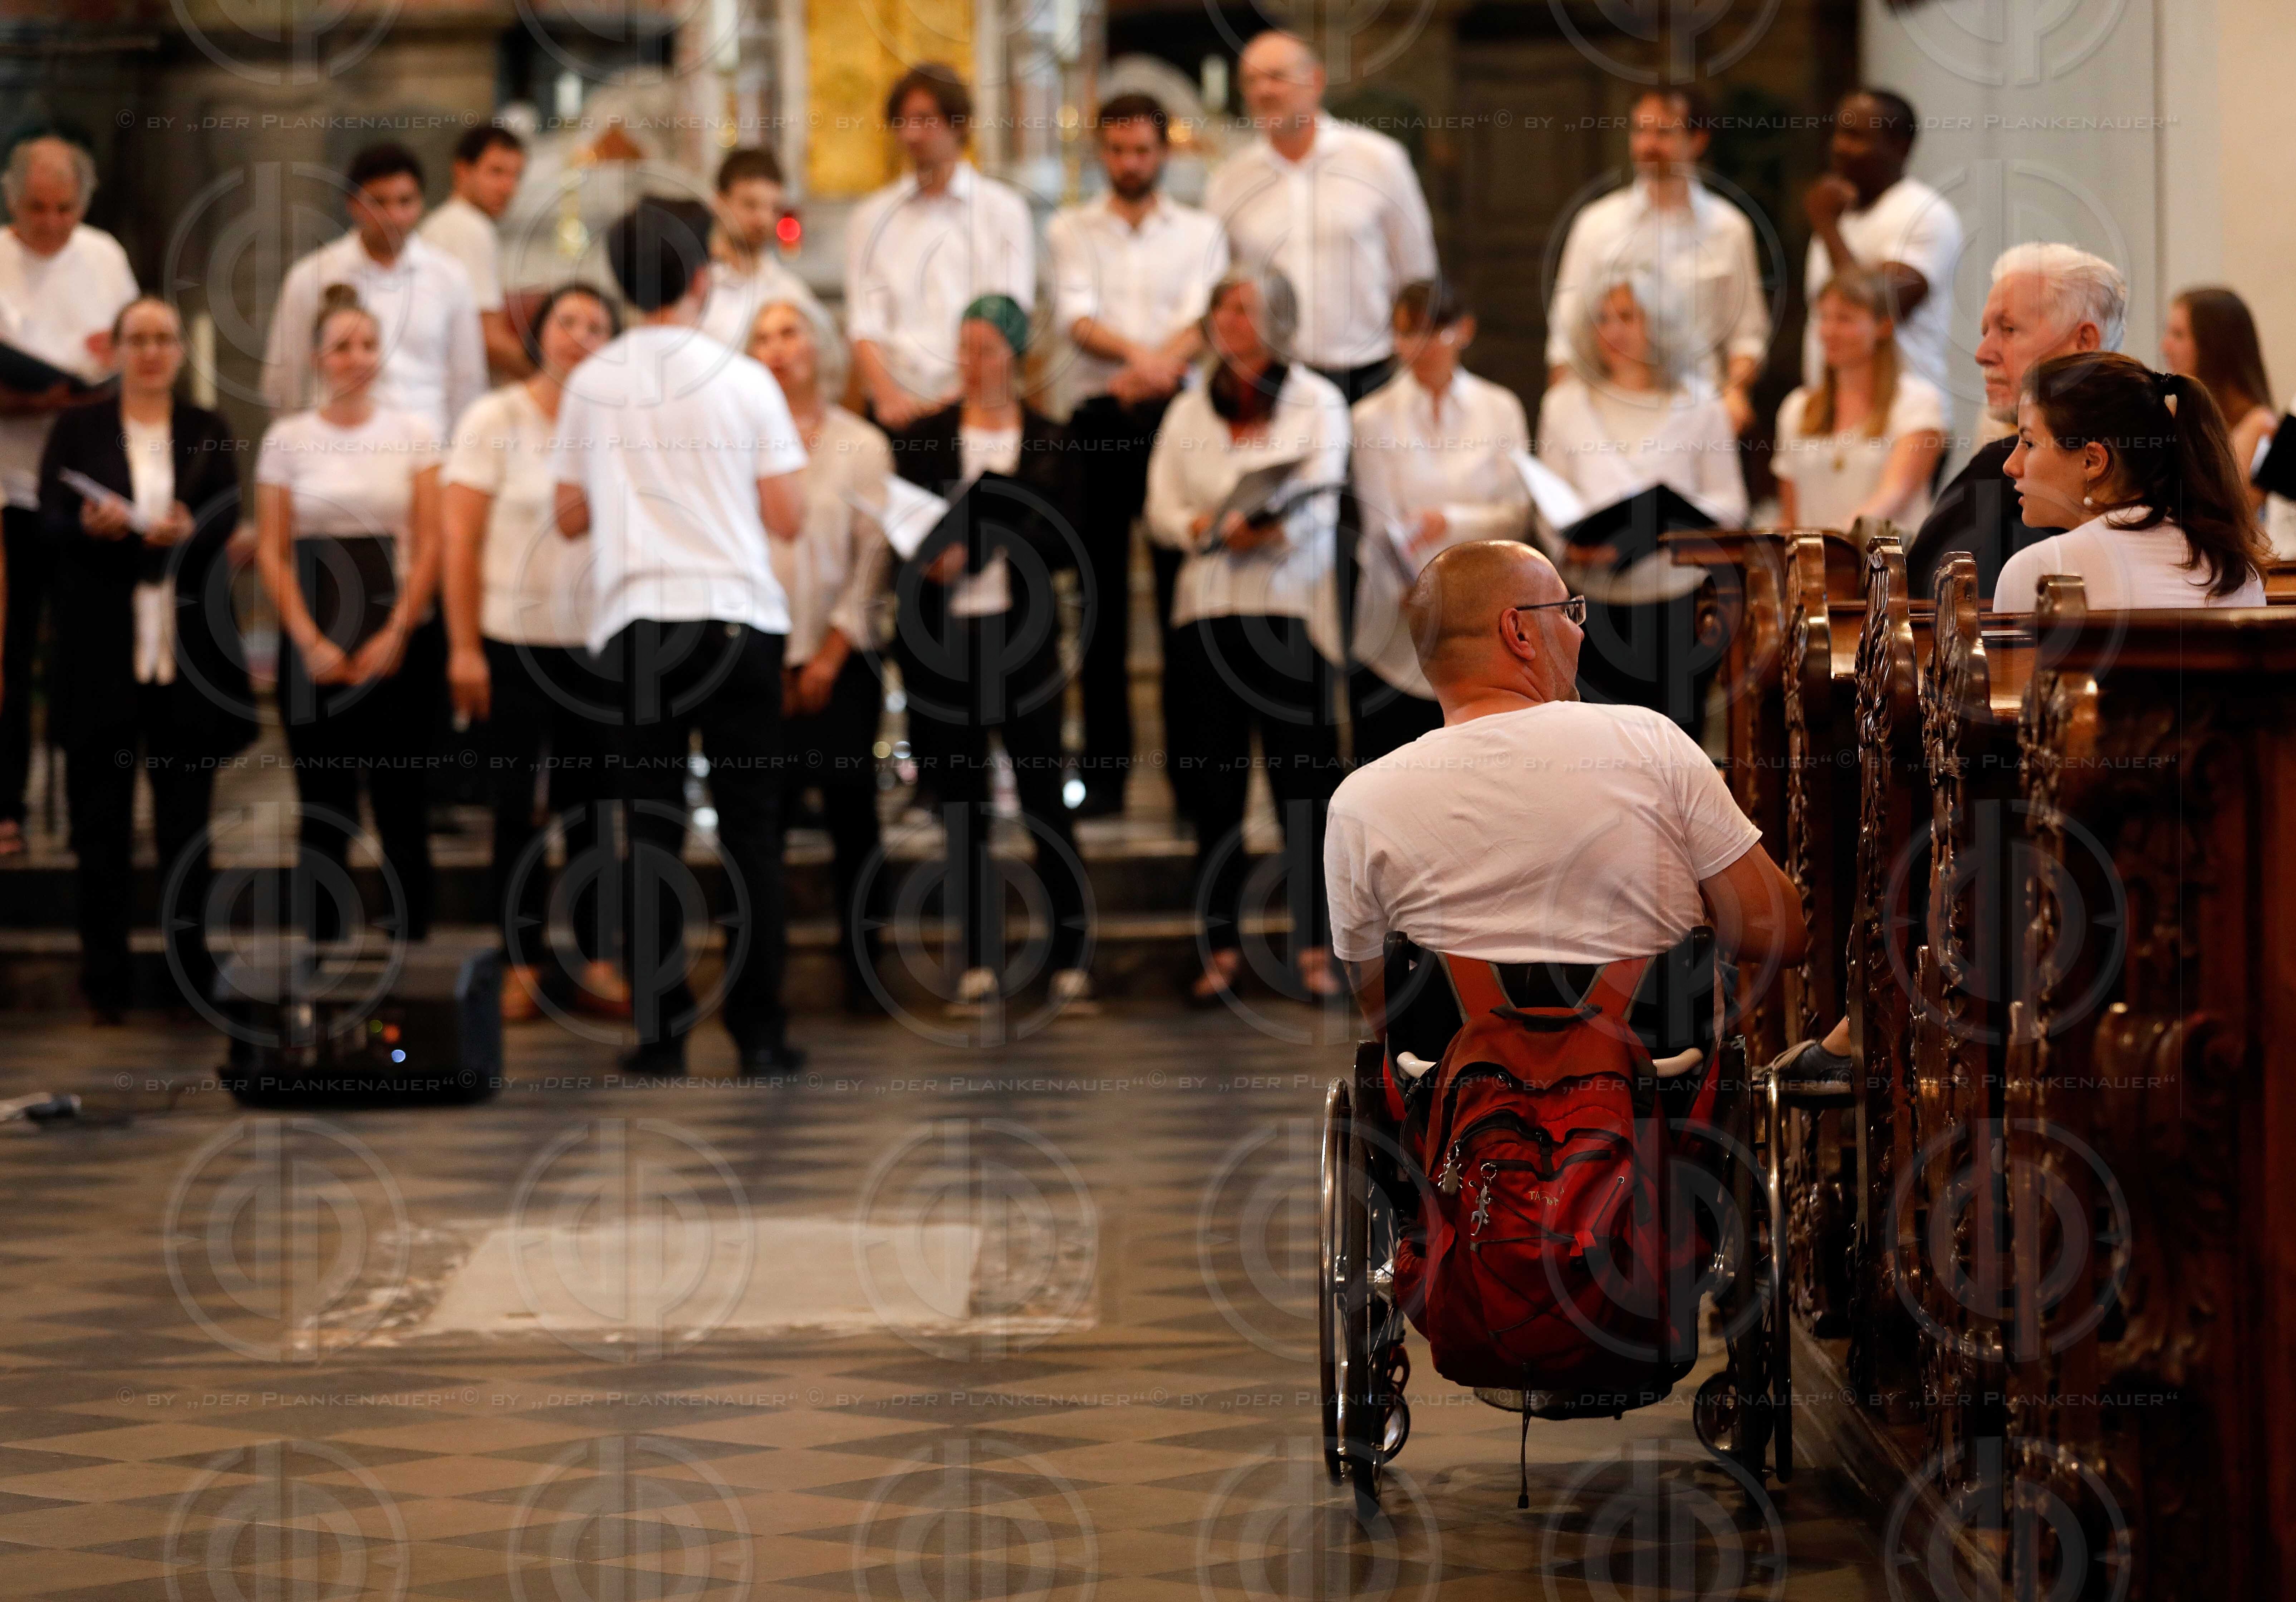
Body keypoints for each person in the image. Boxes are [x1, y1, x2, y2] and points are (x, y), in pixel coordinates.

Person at [1323, 540, 1806, 1040]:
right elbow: (1782, 932)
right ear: (1519, 632)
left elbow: (1388, 1018)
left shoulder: (1359, 802)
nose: (1580, 633)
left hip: (1464, 1104)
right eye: (1570, 612)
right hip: (1655, 1100)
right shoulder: (1650, 742)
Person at [551, 197, 810, 1075]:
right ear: (702, 276)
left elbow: (567, 515)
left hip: (638, 628)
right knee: (751, 837)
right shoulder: (746, 380)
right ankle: (762, 1037)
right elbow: (789, 514)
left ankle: (660, 1038)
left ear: (625, 285)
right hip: (738, 619)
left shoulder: (591, 382)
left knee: (651, 834)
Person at [37, 297, 254, 1022]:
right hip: (103, 645)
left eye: (165, 338)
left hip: (183, 649)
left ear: (180, 353)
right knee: (101, 828)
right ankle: (105, 981)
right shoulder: (80, 427)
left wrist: (193, 526)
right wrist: (93, 524)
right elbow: (48, 519)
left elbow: (228, 513)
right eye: (140, 338)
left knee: (185, 824)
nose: (154, 350)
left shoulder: (207, 429)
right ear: (118, 349)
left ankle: (189, 975)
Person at [1144, 269, 1349, 1005]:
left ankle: (1317, 946)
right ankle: (1220, 945)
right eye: (1221, 305)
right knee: (1213, 785)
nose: (1229, 317)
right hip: (1207, 610)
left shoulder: (1316, 399)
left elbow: (1324, 494)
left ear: (1279, 321)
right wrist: (1201, 525)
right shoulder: (1189, 410)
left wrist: (1267, 525)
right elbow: (1161, 505)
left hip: (1290, 608)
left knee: (1304, 785)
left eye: (1244, 306)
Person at [884, 294, 1091, 1015]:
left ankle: (1071, 958)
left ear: (1016, 356)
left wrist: (997, 539)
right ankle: (976, 961)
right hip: (947, 644)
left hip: (1023, 640)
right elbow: (900, 532)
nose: (974, 362)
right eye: (964, 347)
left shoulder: (1051, 439)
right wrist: (931, 560)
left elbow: (1069, 542)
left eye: (988, 348)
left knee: (1043, 799)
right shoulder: (926, 437)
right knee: (963, 806)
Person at [442, 282, 626, 1024]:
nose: (580, 336)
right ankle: (520, 961)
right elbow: (459, 538)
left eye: (597, 326)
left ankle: (596, 958)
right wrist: (461, 646)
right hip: (510, 641)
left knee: (594, 812)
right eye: (568, 322)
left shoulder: (618, 425)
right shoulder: (496, 417)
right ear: (540, 333)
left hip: (597, 641)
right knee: (516, 811)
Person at [1046, 92, 1229, 817]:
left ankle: (1193, 781)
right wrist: (1143, 358)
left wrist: (1151, 367)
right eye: (1118, 151)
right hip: (1097, 419)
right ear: (1101, 152)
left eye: (1143, 151)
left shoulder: (1200, 230)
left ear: (1164, 152)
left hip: (1176, 420)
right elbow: (1075, 315)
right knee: (1101, 605)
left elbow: (1205, 317)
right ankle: (1105, 779)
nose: (1130, 163)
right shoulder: (1070, 227)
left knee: (1183, 600)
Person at [254, 285, 446, 945]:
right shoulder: (287, 438)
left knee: (402, 804)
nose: (356, 357)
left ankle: (410, 945)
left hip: (399, 645)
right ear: (317, 358)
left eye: (368, 344)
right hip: (316, 643)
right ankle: (325, 951)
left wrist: (397, 633)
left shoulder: (414, 434)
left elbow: (430, 543)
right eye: (342, 346)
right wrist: (308, 642)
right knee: (324, 805)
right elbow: (274, 552)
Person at [744, 296, 895, 1012]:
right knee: (758, 819)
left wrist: (831, 654)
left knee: (852, 814)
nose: (777, 348)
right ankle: (761, 977)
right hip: (759, 652)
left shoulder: (862, 443)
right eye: (763, 338)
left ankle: (865, 965)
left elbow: (872, 562)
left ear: (820, 346)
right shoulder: (735, 442)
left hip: (843, 654)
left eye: (790, 333)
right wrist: (768, 654)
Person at [0, 136, 137, 861]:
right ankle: (6, 806)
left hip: (84, 486)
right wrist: (33, 397)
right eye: (35, 209)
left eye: (64, 208)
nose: (50, 224)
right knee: (8, 654)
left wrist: (113, 365)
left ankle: (99, 808)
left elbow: (130, 356)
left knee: (89, 653)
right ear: (10, 199)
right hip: (6, 484)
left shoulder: (105, 256)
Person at [1537, 271, 1747, 739]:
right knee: (1598, 749)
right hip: (1591, 607)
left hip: (1676, 602)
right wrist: (1571, 548)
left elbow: (1731, 504)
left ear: (1659, 322)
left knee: (1674, 747)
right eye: (1603, 319)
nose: (1613, 331)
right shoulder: (1564, 404)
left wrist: (1663, 526)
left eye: (1627, 317)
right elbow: (1549, 498)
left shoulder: (1700, 403)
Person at [1205, 30, 1438, 404]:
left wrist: (1415, 361)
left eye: (1277, 77)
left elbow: (1415, 271)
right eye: (1251, 81)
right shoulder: (1228, 182)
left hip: (1369, 371)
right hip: (1273, 378)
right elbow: (1220, 283)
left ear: (1315, 81)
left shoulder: (1378, 160)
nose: (1264, 90)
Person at [1348, 280, 1529, 763]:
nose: (1419, 347)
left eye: (1434, 332)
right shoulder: (1370, 417)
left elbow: (1516, 515)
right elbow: (1378, 524)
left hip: (1486, 616)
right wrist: (1417, 586)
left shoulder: (1500, 408)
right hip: (1399, 613)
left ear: (1463, 331)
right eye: (1407, 334)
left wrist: (1448, 520)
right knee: (1394, 773)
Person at [1905, 243, 2126, 598]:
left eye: (2008, 330)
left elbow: (1909, 612)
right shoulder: (2171, 461)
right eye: (1985, 332)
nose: (1982, 354)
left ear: (2083, 341)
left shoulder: (2003, 469)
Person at [1546, 86, 1770, 434]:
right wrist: (1564, 413)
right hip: (1613, 411)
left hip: (1699, 408)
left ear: (1697, 141)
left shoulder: (1729, 228)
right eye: (1640, 131)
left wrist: (1735, 393)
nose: (1648, 145)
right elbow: (1566, 331)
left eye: (1664, 132)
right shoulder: (1596, 224)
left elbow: (1747, 335)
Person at [1993, 351, 2267, 611]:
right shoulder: (2240, 574)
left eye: (2029, 443)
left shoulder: (2039, 572)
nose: (2010, 466)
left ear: (2093, 462)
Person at [847, 64, 1035, 429]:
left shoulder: (1002, 209)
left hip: (976, 404)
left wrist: (963, 395)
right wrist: (888, 397)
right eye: (902, 122)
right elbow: (864, 322)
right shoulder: (870, 218)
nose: (912, 134)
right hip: (896, 408)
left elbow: (1010, 313)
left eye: (925, 120)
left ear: (960, 123)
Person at [263, 142, 486, 441]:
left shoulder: (449, 276)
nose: (394, 216)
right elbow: (285, 375)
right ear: (353, 204)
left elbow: (468, 378)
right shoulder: (312, 276)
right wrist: (306, 445)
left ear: (421, 203)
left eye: (405, 201)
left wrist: (457, 454)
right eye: (379, 203)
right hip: (337, 450)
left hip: (426, 449)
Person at [1801, 90, 1962, 397]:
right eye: (1837, 133)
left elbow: (1879, 307)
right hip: (1831, 410)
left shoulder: (1923, 212)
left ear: (1899, 147)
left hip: (1903, 414)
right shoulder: (1840, 216)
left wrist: (1826, 226)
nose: (1839, 147)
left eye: (1855, 136)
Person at [1772, 270, 1946, 530]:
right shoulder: (1797, 408)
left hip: (1892, 567)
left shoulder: (1917, 403)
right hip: (1815, 566)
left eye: (1845, 320)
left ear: (1884, 326)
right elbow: (1790, 518)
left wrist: (1830, 547)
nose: (1829, 331)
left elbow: (1894, 495)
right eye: (1824, 318)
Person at [418, 123, 531, 380]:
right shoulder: (468, 228)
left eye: (517, 176)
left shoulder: (443, 223)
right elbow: (489, 338)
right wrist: (553, 380)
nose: (508, 187)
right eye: (496, 172)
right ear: (462, 171)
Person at [2161, 286, 2276, 512]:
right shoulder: (2174, 411)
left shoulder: (2260, 426)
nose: (2165, 347)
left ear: (2213, 345)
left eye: (2179, 335)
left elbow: (2231, 513)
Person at [700, 147, 825, 353]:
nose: (764, 220)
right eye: (751, 205)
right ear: (719, 202)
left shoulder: (790, 291)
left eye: (774, 209)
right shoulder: (692, 289)